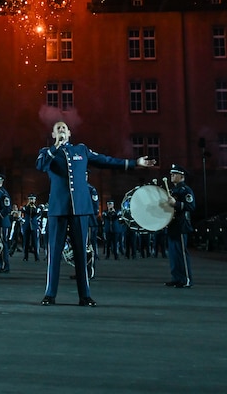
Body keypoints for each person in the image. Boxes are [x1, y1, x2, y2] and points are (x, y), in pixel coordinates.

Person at [36, 120, 155, 306]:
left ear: (69, 133)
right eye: (57, 129)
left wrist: (134, 163)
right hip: (58, 209)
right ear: (53, 135)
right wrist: (55, 147)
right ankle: (50, 294)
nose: (61, 130)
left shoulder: (81, 150)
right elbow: (41, 166)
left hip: (80, 209)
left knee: (82, 253)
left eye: (64, 128)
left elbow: (106, 161)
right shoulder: (47, 152)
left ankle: (85, 296)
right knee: (54, 254)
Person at [165, 163, 196, 288]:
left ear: (181, 176)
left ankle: (186, 279)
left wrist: (176, 203)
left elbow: (191, 206)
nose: (171, 175)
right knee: (173, 254)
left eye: (174, 174)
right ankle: (176, 278)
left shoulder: (186, 190)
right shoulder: (172, 190)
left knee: (181, 254)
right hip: (172, 225)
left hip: (181, 225)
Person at [22, 194, 41, 261]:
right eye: (30, 199)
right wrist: (28, 205)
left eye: (33, 199)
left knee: (35, 242)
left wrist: (34, 207)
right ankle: (25, 256)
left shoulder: (37, 207)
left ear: (35, 200)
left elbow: (37, 213)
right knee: (26, 242)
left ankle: (36, 256)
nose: (31, 200)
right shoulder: (25, 207)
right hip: (27, 226)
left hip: (34, 226)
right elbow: (24, 211)